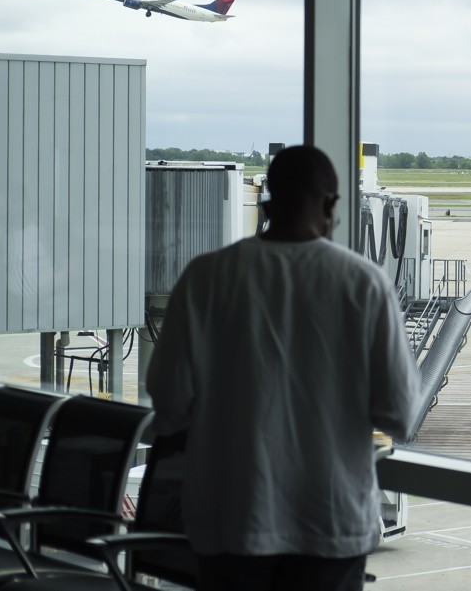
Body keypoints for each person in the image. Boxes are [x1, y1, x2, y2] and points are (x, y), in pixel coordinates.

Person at [147, 145, 421, 591]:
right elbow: (400, 414)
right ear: (329, 205)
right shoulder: (363, 284)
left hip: (229, 525)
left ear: (269, 201)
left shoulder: (206, 277)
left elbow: (170, 401)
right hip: (329, 526)